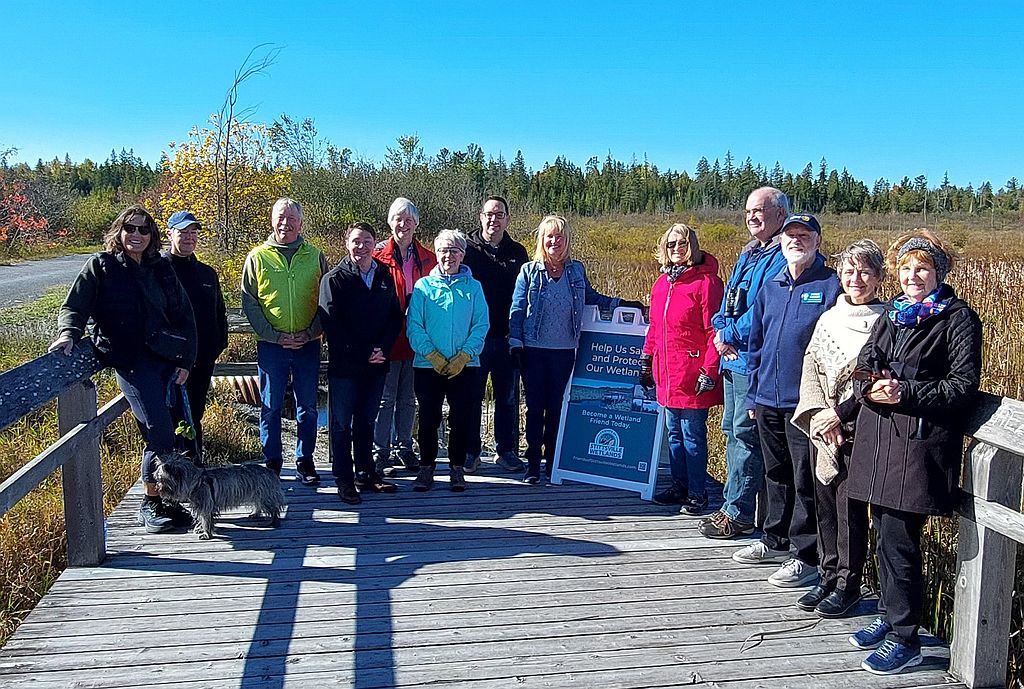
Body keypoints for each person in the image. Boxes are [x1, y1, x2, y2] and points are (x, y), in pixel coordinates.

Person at [846, 230, 981, 675]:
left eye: (922, 268)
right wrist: (871, 388)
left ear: (939, 272)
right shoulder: (893, 314)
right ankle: (889, 615)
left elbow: (962, 387)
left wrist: (905, 392)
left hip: (919, 447)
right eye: (905, 268)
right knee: (882, 531)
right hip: (880, 439)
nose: (912, 276)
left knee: (901, 539)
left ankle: (907, 639)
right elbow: (864, 364)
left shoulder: (958, 319)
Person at [50, 205, 197, 533]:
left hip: (164, 359)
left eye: (144, 229)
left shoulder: (160, 268)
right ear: (119, 231)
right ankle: (150, 503)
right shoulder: (101, 266)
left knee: (171, 433)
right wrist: (68, 334)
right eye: (130, 228)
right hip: (130, 363)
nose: (136, 235)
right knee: (159, 432)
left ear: (152, 235)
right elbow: (74, 306)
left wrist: (185, 361)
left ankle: (167, 500)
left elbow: (185, 316)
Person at [730, 213, 841, 590]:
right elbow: (756, 345)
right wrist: (754, 394)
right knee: (775, 473)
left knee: (804, 477)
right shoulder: (771, 286)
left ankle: (805, 555)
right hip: (767, 398)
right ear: (781, 242)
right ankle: (774, 539)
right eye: (790, 235)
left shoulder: (830, 286)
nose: (796, 241)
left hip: (805, 404)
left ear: (817, 241)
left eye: (804, 235)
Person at [791, 239, 886, 617]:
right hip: (824, 428)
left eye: (865, 272)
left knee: (850, 510)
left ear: (878, 278)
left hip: (859, 427)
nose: (855, 279)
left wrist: (841, 415)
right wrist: (819, 415)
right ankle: (827, 574)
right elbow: (811, 368)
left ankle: (848, 583)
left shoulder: (885, 321)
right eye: (849, 271)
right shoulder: (829, 318)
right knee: (825, 505)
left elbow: (876, 378)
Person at [509, 214, 641, 485]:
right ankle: (532, 463)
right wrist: (516, 343)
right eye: (549, 236)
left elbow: (591, 298)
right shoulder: (529, 271)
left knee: (557, 408)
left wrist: (621, 304)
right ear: (541, 240)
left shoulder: (576, 271)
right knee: (534, 408)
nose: (554, 241)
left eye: (560, 236)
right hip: (533, 350)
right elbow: (517, 309)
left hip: (565, 350)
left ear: (567, 240)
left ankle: (553, 462)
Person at [699, 187, 789, 539]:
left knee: (745, 436)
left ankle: (738, 514)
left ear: (780, 214)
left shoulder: (783, 254)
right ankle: (733, 506)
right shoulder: (749, 251)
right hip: (732, 359)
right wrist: (720, 330)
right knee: (732, 432)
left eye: (759, 210)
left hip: (753, 361)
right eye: (748, 210)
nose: (752, 216)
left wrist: (730, 334)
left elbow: (766, 308)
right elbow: (727, 302)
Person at [241, 198, 328, 485]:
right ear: (272, 220)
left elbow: (326, 299)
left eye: (292, 218)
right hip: (272, 346)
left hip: (307, 344)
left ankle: (305, 461)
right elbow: (250, 301)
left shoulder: (315, 256)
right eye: (280, 217)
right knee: (271, 406)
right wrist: (274, 335)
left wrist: (312, 332)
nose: (285, 223)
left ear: (300, 223)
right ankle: (272, 463)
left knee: (308, 407)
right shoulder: (257, 257)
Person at [640, 223, 724, 514]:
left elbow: (715, 332)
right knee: (673, 434)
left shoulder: (707, 283)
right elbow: (655, 327)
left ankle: (698, 493)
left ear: (692, 246)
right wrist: (646, 360)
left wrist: (709, 370)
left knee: (692, 435)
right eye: (671, 244)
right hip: (666, 371)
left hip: (692, 373)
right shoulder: (662, 283)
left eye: (682, 243)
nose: (676, 248)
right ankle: (680, 486)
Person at [318, 222, 403, 505]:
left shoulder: (384, 275)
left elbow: (394, 317)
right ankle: (344, 479)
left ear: (374, 244)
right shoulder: (334, 279)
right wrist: (365, 351)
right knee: (342, 424)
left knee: (367, 420)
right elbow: (331, 324)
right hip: (346, 365)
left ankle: (366, 473)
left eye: (367, 241)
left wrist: (383, 349)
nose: (361, 247)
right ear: (347, 244)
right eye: (356, 241)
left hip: (376, 363)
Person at [406, 230, 489, 492]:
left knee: (461, 418)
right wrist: (431, 354)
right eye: (443, 250)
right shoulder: (423, 287)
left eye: (454, 250)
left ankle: (456, 468)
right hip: (427, 365)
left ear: (463, 255)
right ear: (436, 253)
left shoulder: (474, 288)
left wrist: (464, 356)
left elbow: (481, 325)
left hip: (464, 366)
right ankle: (426, 468)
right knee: (428, 418)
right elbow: (414, 326)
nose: (448, 255)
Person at [462, 195, 530, 473]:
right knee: (471, 397)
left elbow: (525, 295)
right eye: (489, 214)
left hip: (505, 337)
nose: (494, 219)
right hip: (474, 338)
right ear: (481, 217)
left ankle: (506, 451)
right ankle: (470, 451)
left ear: (507, 219)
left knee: (507, 398)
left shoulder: (518, 252)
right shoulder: (466, 248)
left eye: (499, 214)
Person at [372, 198, 438, 476]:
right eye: (398, 219)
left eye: (408, 220)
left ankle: (405, 447)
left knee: (409, 398)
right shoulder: (378, 256)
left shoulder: (429, 258)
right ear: (390, 223)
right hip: (387, 339)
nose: (403, 224)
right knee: (384, 399)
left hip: (417, 340)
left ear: (416, 224)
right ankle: (380, 451)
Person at [163, 211, 228, 462]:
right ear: (170, 234)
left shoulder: (207, 274)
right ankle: (173, 470)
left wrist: (218, 344)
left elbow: (219, 312)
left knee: (195, 415)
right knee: (171, 419)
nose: (189, 237)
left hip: (203, 360)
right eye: (183, 232)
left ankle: (194, 465)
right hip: (171, 363)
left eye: (193, 232)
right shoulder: (159, 271)